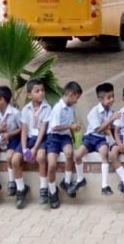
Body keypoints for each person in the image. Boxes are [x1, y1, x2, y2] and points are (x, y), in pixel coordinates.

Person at [68, 82, 116, 197]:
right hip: (91, 137)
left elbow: (112, 129)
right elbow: (98, 129)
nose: (111, 100)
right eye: (109, 97)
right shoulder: (94, 112)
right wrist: (111, 120)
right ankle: (80, 179)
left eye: (112, 96)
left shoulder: (112, 111)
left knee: (104, 153)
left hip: (101, 140)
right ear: (100, 99)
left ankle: (104, 185)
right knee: (78, 155)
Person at [12, 79, 52, 209]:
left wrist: (34, 148)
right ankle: (21, 189)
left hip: (41, 139)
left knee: (40, 157)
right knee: (15, 160)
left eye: (42, 90)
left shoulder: (47, 108)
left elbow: (43, 129)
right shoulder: (26, 109)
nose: (41, 93)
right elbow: (24, 130)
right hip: (28, 138)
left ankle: (43, 188)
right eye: (37, 91)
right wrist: (24, 149)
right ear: (29, 95)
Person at [44, 81, 83, 209]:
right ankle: (52, 191)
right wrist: (70, 126)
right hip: (54, 137)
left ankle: (66, 182)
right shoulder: (57, 108)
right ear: (71, 95)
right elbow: (55, 127)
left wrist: (74, 138)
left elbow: (70, 125)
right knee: (52, 164)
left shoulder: (70, 109)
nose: (76, 101)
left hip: (65, 136)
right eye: (76, 97)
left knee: (69, 153)